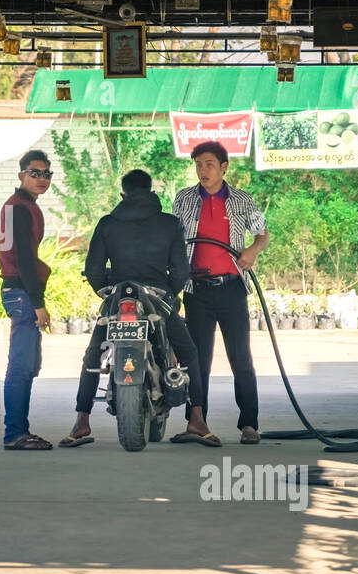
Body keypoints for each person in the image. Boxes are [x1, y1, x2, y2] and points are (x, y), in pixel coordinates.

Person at [61, 169, 209, 447]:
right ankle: (197, 419)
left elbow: (93, 269)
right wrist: (169, 294)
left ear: (123, 194)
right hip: (157, 297)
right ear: (152, 192)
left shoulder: (108, 224)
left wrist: (106, 291)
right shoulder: (170, 224)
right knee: (189, 352)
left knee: (94, 356)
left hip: (119, 297)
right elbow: (181, 269)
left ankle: (81, 421)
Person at [170, 141, 269, 446]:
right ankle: (195, 421)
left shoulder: (241, 200)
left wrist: (252, 249)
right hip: (196, 290)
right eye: (199, 164)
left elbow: (262, 233)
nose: (203, 170)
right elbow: (174, 238)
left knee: (240, 358)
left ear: (224, 167)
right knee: (197, 361)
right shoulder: (184, 199)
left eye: (209, 164)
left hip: (231, 289)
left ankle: (249, 424)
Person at [0, 150, 54, 450]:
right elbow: (25, 260)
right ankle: (15, 433)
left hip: (17, 291)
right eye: (35, 173)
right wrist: (38, 303)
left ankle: (20, 430)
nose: (41, 178)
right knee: (20, 366)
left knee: (28, 364)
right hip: (21, 292)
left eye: (46, 174)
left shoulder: (21, 205)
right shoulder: (20, 207)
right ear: (21, 175)